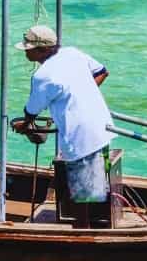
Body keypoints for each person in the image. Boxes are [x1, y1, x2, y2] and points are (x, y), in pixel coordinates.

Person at [9, 24, 114, 215]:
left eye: (29, 49)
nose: (26, 53)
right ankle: (96, 224)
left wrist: (23, 126)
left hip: (80, 138)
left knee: (83, 195)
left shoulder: (42, 76)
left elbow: (31, 111)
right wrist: (81, 94)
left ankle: (84, 235)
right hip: (101, 128)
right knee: (96, 185)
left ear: (42, 49)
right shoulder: (72, 54)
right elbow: (101, 72)